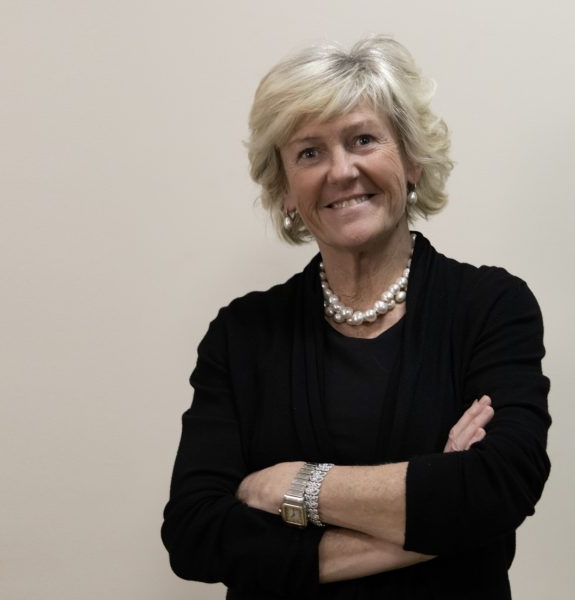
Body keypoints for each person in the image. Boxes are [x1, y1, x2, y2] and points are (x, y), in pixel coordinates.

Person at [161, 36, 551, 599]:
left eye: (363, 139)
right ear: (286, 189)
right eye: (309, 153)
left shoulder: (490, 306)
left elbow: (503, 483)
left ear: (412, 159)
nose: (341, 171)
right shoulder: (242, 333)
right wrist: (440, 518)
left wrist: (293, 485)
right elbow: (195, 534)